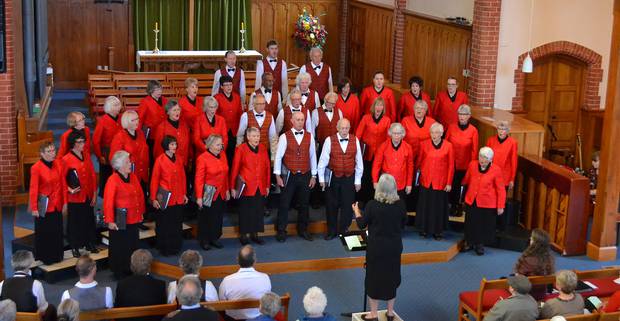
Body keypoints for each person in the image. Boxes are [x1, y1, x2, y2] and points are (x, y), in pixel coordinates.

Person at [352, 174, 407, 321]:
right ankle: (390, 313)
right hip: (394, 248)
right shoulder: (400, 205)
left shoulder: (372, 205)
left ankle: (374, 314)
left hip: (376, 249)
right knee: (391, 278)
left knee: (373, 279)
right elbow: (403, 224)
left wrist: (356, 211)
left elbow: (361, 224)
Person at [273, 111, 318, 242]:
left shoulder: (310, 136)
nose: (300, 122)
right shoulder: (284, 137)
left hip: (305, 174)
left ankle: (303, 230)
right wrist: (277, 175)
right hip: (289, 175)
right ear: (292, 121)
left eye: (302, 120)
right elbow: (278, 157)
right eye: (297, 119)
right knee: (284, 203)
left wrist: (314, 175)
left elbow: (312, 157)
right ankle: (281, 230)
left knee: (304, 204)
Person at [318, 118, 363, 239]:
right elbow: (322, 161)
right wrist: (321, 179)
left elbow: (359, 162)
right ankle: (331, 231)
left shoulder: (355, 140)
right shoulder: (329, 140)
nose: (345, 130)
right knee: (331, 205)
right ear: (337, 128)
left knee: (348, 205)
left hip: (349, 178)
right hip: (334, 177)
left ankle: (344, 230)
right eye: (342, 128)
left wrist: (358, 180)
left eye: (347, 128)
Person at [104, 150, 145, 278]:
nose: (130, 163)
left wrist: (141, 213)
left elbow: (140, 195)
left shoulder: (133, 176)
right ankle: (120, 270)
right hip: (119, 221)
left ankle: (132, 268)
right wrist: (110, 221)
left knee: (133, 244)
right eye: (127, 162)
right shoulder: (113, 180)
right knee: (121, 247)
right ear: (120, 165)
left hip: (133, 218)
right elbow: (108, 202)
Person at [461, 147, 506, 255]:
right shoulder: (472, 165)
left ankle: (480, 244)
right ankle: (469, 242)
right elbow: (467, 179)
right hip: (472, 199)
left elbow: (501, 189)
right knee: (470, 222)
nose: (482, 159)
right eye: (481, 156)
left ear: (490, 159)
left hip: (487, 202)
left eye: (485, 158)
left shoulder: (496, 170)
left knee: (482, 224)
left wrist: (500, 205)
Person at [231, 127, 271, 245]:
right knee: (245, 211)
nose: (256, 138)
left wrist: (267, 185)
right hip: (246, 186)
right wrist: (233, 187)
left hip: (260, 185)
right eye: (253, 136)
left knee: (258, 211)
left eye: (258, 136)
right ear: (248, 137)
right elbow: (235, 169)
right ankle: (243, 235)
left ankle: (255, 234)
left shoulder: (263, 148)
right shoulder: (241, 149)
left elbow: (267, 168)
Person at [62, 130, 98, 258]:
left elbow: (93, 175)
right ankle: (75, 246)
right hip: (74, 198)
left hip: (87, 195)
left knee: (88, 220)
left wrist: (94, 193)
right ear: (73, 144)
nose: (83, 144)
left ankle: (89, 243)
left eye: (83, 141)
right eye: (80, 142)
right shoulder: (66, 159)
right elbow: (61, 179)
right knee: (74, 223)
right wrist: (69, 190)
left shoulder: (86, 155)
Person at [415, 123, 454, 240]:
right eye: (432, 132)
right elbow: (419, 162)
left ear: (442, 134)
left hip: (441, 182)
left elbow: (451, 166)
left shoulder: (448, 146)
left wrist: (448, 182)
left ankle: (438, 231)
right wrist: (417, 178)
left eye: (437, 133)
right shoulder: (423, 144)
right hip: (426, 180)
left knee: (438, 207)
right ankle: (423, 229)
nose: (434, 135)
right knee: (424, 206)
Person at [150, 135, 188, 256]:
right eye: (172, 144)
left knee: (176, 223)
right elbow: (154, 180)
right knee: (165, 223)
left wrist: (184, 194)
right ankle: (164, 247)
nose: (174, 146)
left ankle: (176, 246)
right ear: (166, 146)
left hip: (178, 197)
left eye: (175, 144)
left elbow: (183, 177)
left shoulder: (179, 158)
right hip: (165, 198)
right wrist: (153, 198)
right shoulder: (159, 160)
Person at [29, 142, 66, 265]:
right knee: (45, 232)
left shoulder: (58, 164)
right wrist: (34, 207)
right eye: (49, 151)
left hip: (57, 204)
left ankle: (57, 255)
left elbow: (62, 184)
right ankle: (46, 257)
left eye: (53, 150)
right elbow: (33, 189)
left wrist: (64, 202)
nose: (52, 153)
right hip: (44, 206)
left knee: (57, 230)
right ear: (42, 153)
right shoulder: (36, 168)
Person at [195, 134, 230, 250]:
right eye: (218, 144)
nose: (220, 147)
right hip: (208, 191)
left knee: (217, 216)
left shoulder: (223, 155)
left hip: (221, 190)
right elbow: (199, 179)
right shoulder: (202, 158)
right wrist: (199, 197)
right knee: (206, 217)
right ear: (210, 145)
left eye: (221, 144)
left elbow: (226, 175)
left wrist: (227, 189)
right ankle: (204, 240)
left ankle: (214, 238)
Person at [401, 100, 437, 211]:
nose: (419, 110)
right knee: (409, 180)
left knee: (422, 181)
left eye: (421, 108)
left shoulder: (432, 122)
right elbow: (401, 138)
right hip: (409, 156)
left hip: (426, 158)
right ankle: (407, 206)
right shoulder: (406, 120)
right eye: (417, 107)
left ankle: (420, 207)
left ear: (426, 110)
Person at [219, 246, 272, 321]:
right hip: (258, 317)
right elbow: (266, 299)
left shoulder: (226, 281)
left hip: (234, 318)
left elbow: (222, 304)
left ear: (237, 260)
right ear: (255, 261)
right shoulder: (265, 278)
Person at [355, 97, 391, 204]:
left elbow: (388, 138)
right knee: (365, 175)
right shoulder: (366, 118)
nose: (378, 107)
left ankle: (373, 200)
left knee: (376, 177)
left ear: (383, 108)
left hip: (379, 154)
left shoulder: (387, 120)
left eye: (380, 105)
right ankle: (362, 199)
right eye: (376, 105)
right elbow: (358, 135)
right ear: (373, 106)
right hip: (366, 153)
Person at [109, 110, 150, 203]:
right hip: (128, 174)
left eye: (137, 119)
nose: (137, 122)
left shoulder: (140, 133)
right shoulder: (119, 137)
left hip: (142, 173)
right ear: (126, 122)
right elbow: (114, 160)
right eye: (133, 120)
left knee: (141, 199)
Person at [115, 249, 167, 321]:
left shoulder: (122, 285)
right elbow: (162, 313)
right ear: (149, 267)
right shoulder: (160, 285)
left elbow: (117, 311)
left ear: (132, 266)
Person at [446, 104, 479, 216]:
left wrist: (472, 166)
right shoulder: (451, 127)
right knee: (451, 185)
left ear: (469, 116)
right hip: (451, 163)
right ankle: (451, 206)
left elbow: (474, 150)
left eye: (464, 114)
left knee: (461, 186)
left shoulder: (473, 131)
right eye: (460, 114)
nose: (462, 117)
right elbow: (445, 144)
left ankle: (459, 206)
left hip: (465, 164)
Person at [372, 123, 414, 199]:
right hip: (386, 184)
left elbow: (410, 167)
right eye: (394, 133)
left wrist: (409, 184)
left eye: (399, 133)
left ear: (402, 134)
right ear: (390, 134)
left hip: (401, 184)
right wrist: (375, 181)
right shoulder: (383, 146)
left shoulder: (408, 147)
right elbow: (376, 165)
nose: (397, 136)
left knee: (399, 206)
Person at [93, 96, 122, 197]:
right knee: (107, 177)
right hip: (107, 152)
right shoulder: (103, 120)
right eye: (116, 105)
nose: (119, 107)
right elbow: (96, 141)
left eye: (119, 104)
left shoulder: (121, 118)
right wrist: (99, 156)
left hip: (119, 152)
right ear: (109, 107)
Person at [514, 228, 555, 300]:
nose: (530, 238)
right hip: (541, 295)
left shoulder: (527, 260)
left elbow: (519, 281)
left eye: (532, 238)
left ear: (535, 243)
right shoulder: (549, 259)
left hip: (526, 296)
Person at [152, 100, 191, 168]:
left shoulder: (184, 125)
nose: (177, 112)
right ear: (168, 112)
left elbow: (188, 144)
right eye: (174, 110)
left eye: (178, 109)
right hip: (168, 164)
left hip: (183, 163)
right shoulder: (161, 127)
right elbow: (158, 149)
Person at [215, 75, 244, 164]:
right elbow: (215, 116)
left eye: (230, 84)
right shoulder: (217, 98)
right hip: (222, 131)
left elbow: (240, 114)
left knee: (233, 155)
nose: (229, 87)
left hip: (235, 131)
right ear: (221, 87)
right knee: (223, 154)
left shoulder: (237, 97)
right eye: (226, 85)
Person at [486, 120, 518, 191]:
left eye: (504, 129)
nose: (501, 131)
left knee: (501, 199)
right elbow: (486, 158)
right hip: (491, 174)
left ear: (507, 131)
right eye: (499, 129)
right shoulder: (490, 140)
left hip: (504, 176)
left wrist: (512, 179)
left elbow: (514, 162)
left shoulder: (513, 143)